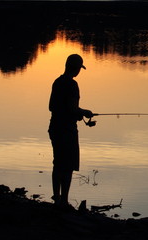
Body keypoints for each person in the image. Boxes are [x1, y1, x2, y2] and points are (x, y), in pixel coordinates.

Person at [48, 54, 93, 209]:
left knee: (57, 163)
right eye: (79, 68)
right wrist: (84, 112)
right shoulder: (72, 85)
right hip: (67, 130)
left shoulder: (57, 82)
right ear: (75, 68)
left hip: (54, 127)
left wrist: (78, 114)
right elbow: (72, 109)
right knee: (67, 167)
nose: (79, 72)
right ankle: (64, 201)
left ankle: (57, 199)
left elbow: (51, 107)